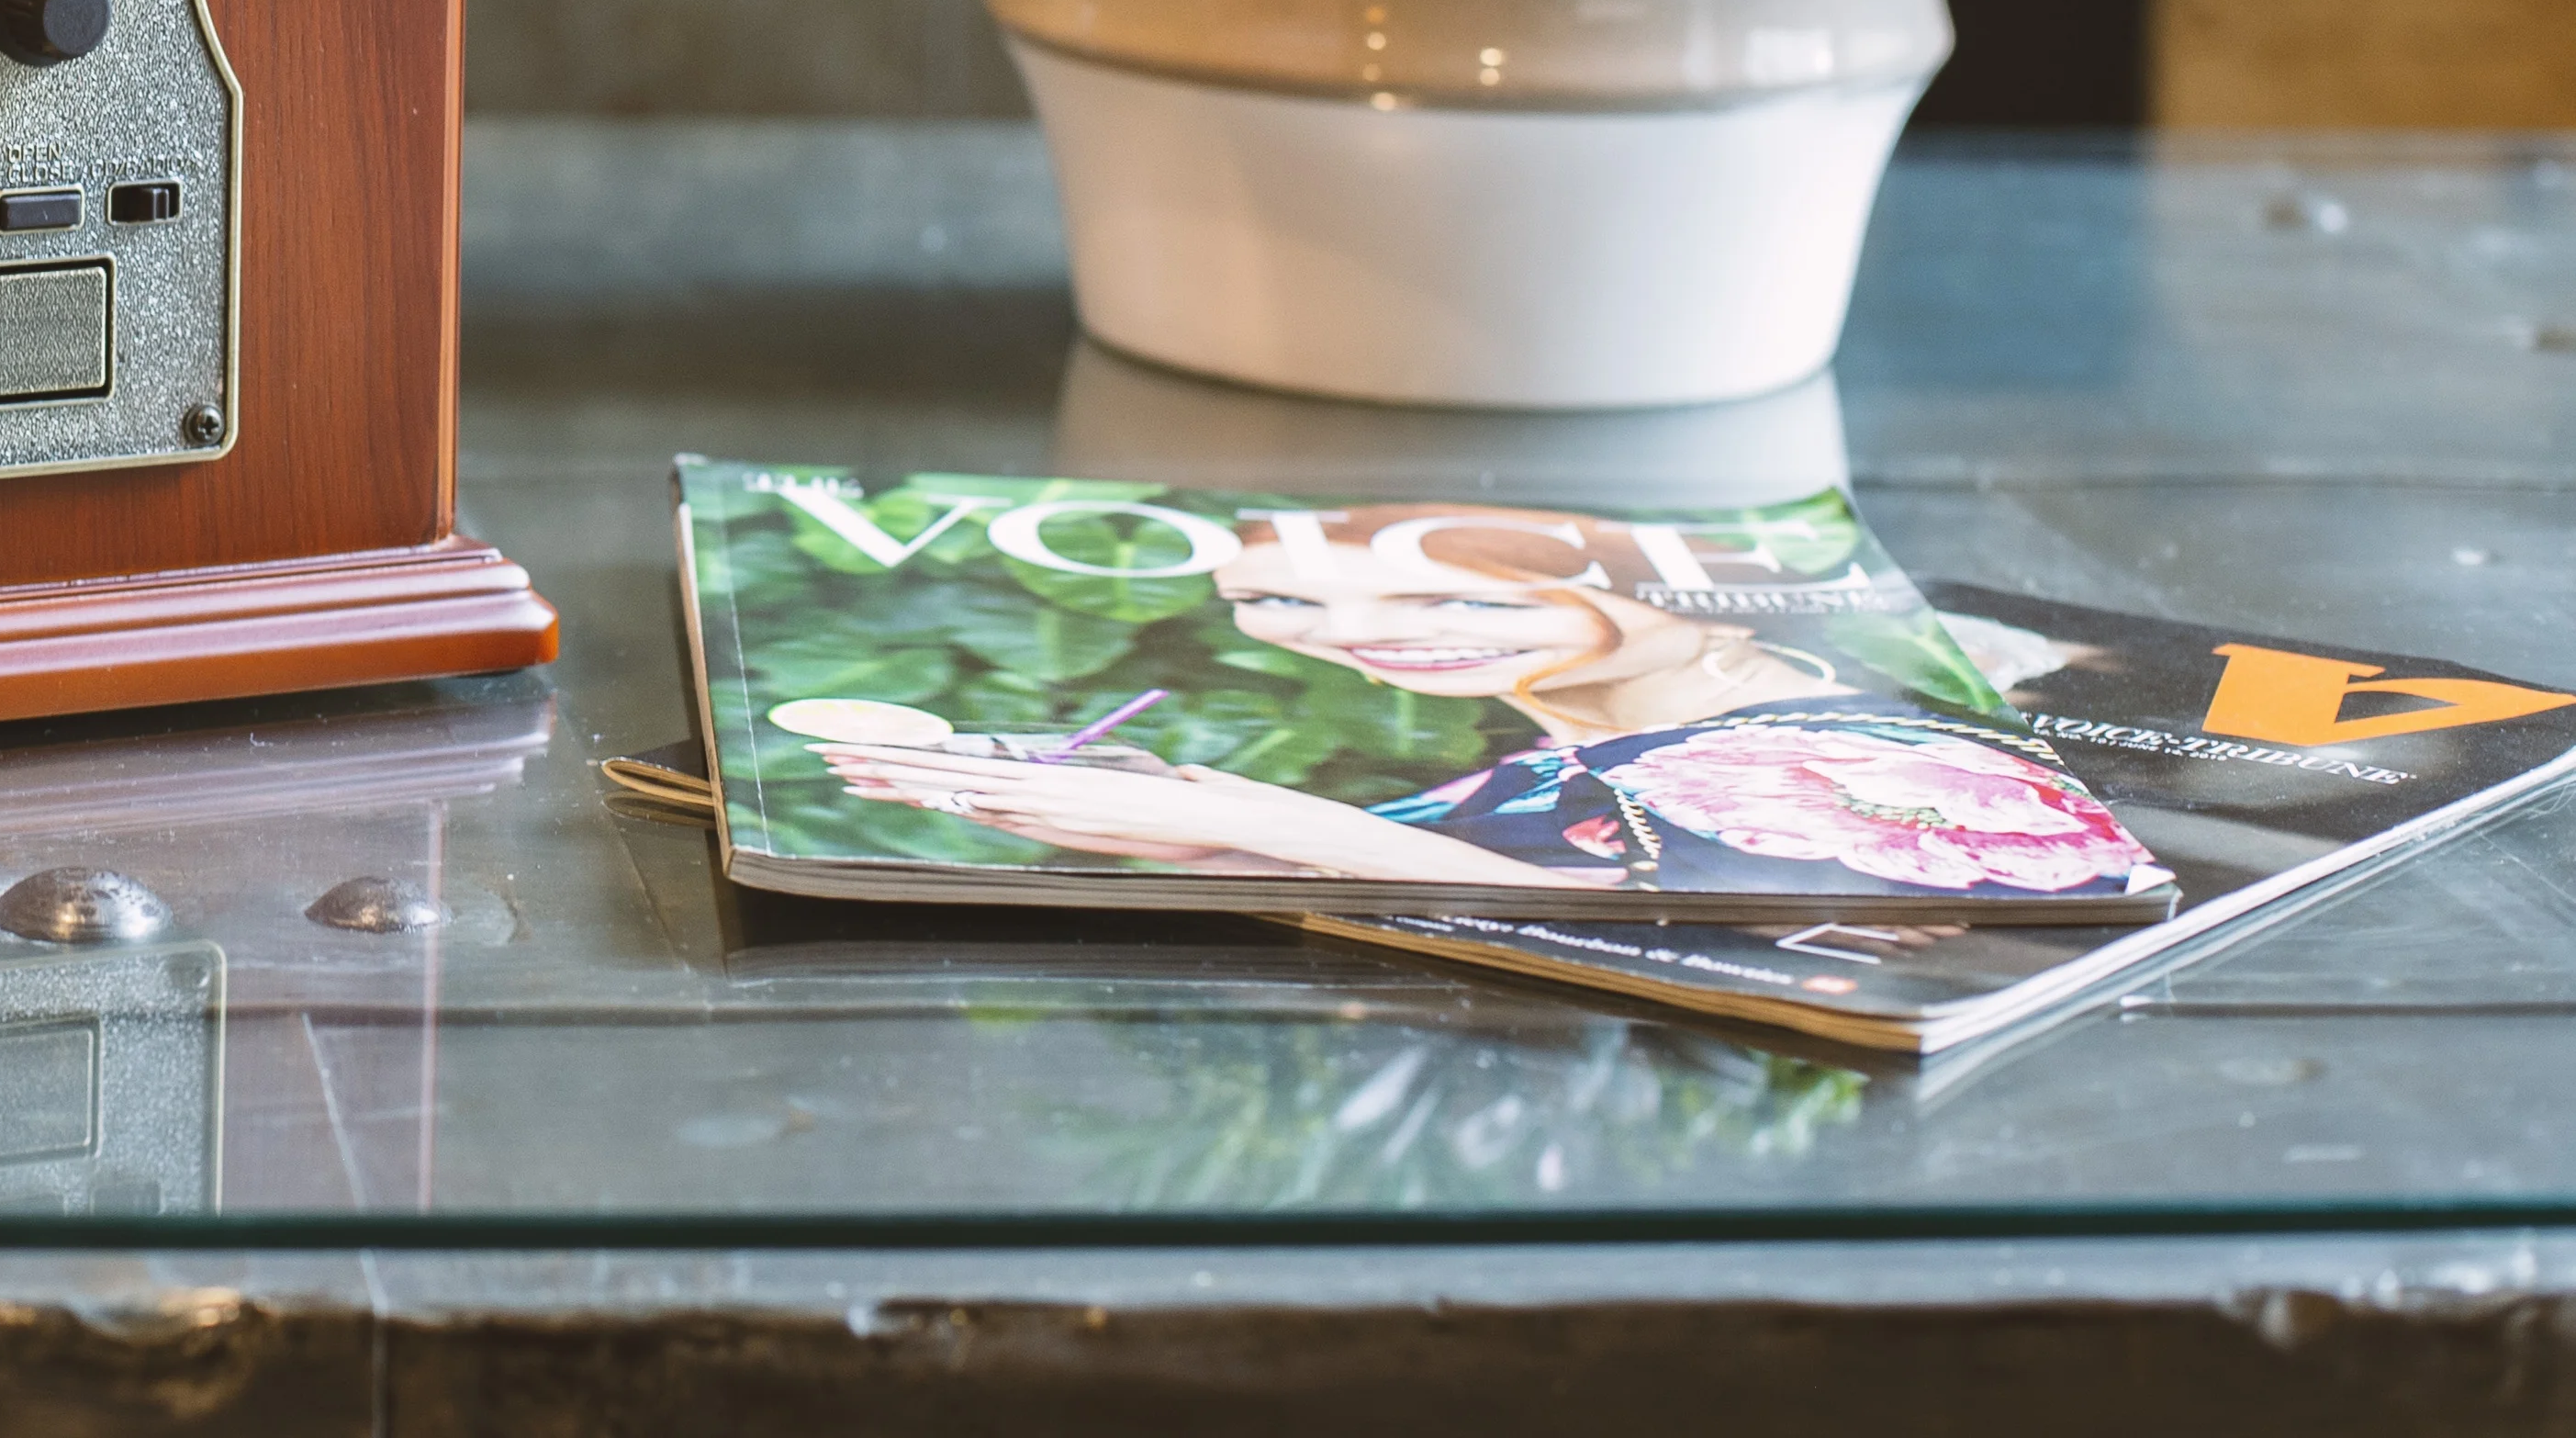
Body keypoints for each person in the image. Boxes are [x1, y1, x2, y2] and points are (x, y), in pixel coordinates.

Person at [808, 505, 2167, 900]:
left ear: (1665, 588)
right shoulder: (1555, 754)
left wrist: (1275, 824)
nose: (1361, 640)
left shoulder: (1852, 742)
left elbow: (1687, 912)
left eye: (1455, 602)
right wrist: (1179, 822)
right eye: (1281, 604)